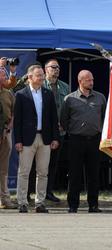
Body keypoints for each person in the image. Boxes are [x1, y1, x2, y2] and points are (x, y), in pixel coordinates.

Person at [14, 64, 59, 213]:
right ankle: (22, 202)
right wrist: (18, 140)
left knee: (43, 172)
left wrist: (55, 138)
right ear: (29, 77)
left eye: (42, 75)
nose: (41, 78)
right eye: (38, 75)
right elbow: (17, 120)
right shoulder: (21, 94)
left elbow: (53, 118)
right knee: (24, 172)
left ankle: (40, 203)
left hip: (44, 138)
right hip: (27, 139)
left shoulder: (47, 93)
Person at [60, 70, 106, 213]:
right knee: (75, 174)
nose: (91, 82)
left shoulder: (100, 98)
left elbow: (104, 117)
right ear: (80, 81)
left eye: (92, 80)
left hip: (94, 140)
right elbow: (63, 120)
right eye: (88, 80)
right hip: (76, 140)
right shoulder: (69, 99)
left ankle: (93, 205)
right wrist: (73, 131)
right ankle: (73, 205)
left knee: (93, 174)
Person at [44, 59, 70, 202]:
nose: (56, 70)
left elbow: (68, 108)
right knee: (37, 164)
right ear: (45, 69)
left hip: (59, 132)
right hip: (42, 131)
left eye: (58, 68)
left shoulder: (65, 87)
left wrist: (64, 124)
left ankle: (48, 191)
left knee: (53, 163)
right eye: (53, 67)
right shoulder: (39, 84)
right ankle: (30, 193)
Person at [0, 68, 17, 209]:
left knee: (3, 169)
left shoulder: (8, 93)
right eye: (2, 74)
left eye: (6, 74)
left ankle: (5, 200)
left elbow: (14, 112)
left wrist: (9, 126)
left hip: (5, 133)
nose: (5, 76)